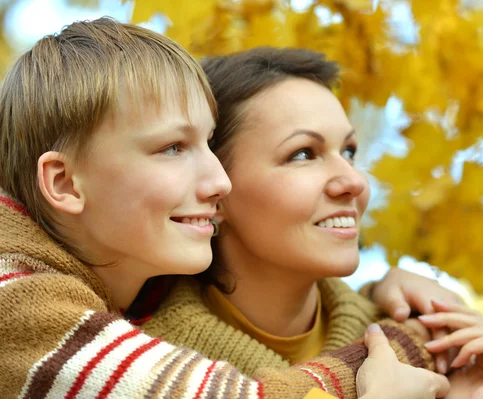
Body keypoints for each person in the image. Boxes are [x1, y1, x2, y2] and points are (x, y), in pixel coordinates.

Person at [0, 18, 452, 399]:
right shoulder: (17, 300)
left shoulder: (125, 307)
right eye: (174, 147)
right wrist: (410, 343)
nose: (218, 182)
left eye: (350, 151)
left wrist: (397, 309)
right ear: (64, 183)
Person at [139, 47, 483, 399]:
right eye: (303, 153)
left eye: (349, 152)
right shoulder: (133, 364)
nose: (354, 181)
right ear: (214, 188)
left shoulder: (420, 347)